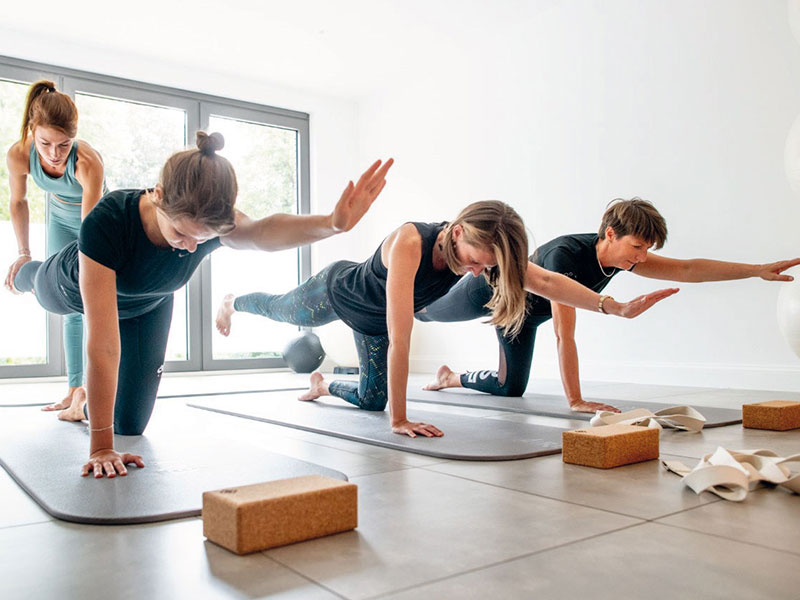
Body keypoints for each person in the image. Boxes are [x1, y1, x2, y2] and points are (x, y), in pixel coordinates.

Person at [13, 130, 393, 478]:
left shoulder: (213, 221)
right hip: (71, 285)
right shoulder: (109, 221)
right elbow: (103, 345)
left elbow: (262, 232)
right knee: (38, 287)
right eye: (180, 233)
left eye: (203, 239)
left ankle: (82, 405)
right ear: (157, 195)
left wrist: (333, 223)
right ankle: (22, 271)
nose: (191, 247)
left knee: (129, 424)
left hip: (147, 304)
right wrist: (99, 447)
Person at [215, 200, 676, 437]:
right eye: (477, 259)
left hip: (371, 324)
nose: (479, 271)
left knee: (371, 400)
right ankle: (235, 301)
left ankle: (322, 385)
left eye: (488, 264)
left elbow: (552, 284)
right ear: (457, 234)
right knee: (280, 309)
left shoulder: (484, 253)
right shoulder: (410, 242)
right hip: (337, 294)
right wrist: (401, 419)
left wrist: (611, 306)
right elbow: (402, 338)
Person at [417, 198, 800, 412]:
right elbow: (564, 334)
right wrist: (576, 400)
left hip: (521, 318)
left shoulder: (621, 257)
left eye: (648, 250)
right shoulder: (565, 257)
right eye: (637, 247)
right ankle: (409, 304)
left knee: (510, 389)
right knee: (430, 310)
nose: (642, 256)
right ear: (611, 234)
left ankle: (450, 377)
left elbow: (686, 268)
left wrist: (756, 270)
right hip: (492, 296)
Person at [4, 80, 106, 409]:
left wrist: (89, 270)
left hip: (95, 221)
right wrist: (24, 253)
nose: (54, 153)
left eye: (64, 145)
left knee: (88, 300)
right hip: (60, 218)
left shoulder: (88, 162)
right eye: (46, 142)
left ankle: (95, 389)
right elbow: (18, 203)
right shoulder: (19, 154)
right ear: (33, 129)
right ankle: (74, 389)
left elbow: (90, 226)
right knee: (68, 304)